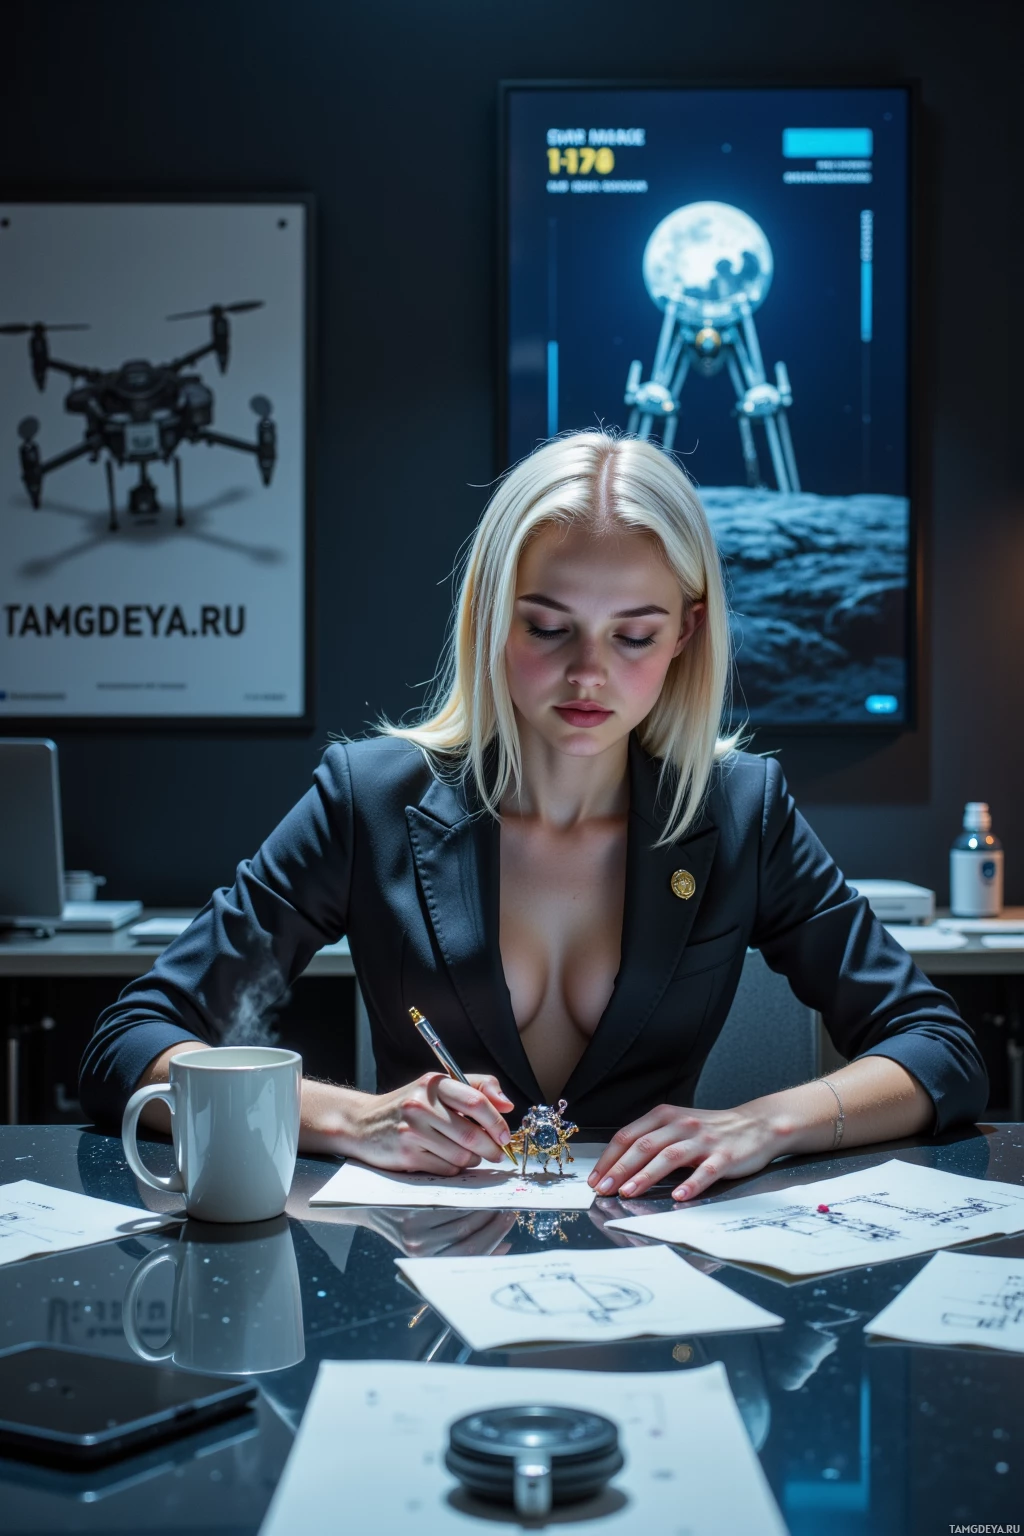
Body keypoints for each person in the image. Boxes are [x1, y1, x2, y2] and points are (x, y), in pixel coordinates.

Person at [79, 431, 988, 1203]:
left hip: (663, 1292)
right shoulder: (368, 800)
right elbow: (129, 1043)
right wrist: (353, 1119)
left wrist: (765, 1124)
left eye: (634, 634)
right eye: (548, 627)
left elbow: (939, 1049)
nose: (589, 674)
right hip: (423, 1296)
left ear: (686, 632)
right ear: (490, 616)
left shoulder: (744, 810)